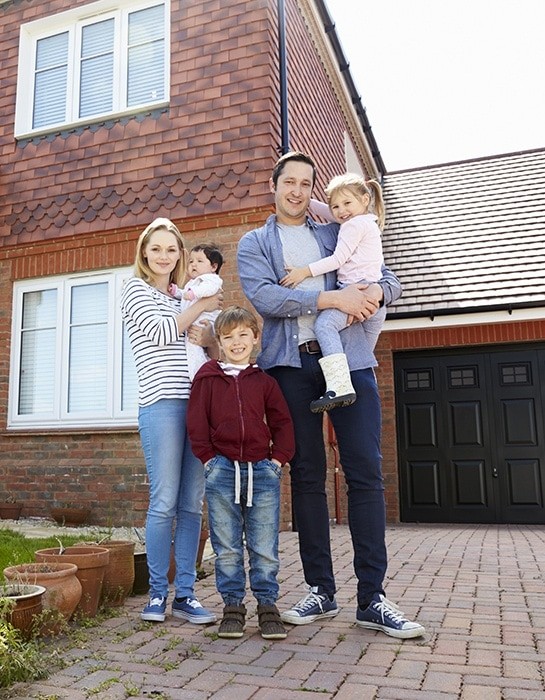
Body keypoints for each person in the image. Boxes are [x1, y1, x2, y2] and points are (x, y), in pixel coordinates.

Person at [237, 152, 425, 639]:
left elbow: (388, 277)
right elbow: (268, 299)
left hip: (350, 359)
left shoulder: (334, 229)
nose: (297, 191)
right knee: (307, 475)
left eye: (305, 183)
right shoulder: (255, 243)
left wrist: (378, 295)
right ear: (273, 184)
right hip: (292, 366)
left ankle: (373, 598)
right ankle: (320, 589)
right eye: (289, 182)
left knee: (364, 470)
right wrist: (332, 298)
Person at [121, 217, 222, 624]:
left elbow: (210, 348)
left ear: (180, 255)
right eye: (157, 248)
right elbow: (163, 333)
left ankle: (187, 594)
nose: (164, 256)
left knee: (191, 504)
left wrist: (208, 329)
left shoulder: (183, 295)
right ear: (145, 252)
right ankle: (157, 595)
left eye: (172, 249)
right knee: (163, 503)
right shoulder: (135, 289)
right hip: (160, 405)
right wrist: (201, 306)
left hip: (197, 404)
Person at [187, 306, 295, 640]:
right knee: (227, 546)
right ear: (218, 341)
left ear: (255, 338)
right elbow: (196, 422)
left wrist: (278, 460)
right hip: (221, 471)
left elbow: (282, 422)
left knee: (264, 545)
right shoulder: (207, 378)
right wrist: (208, 459)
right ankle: (232, 607)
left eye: (243, 335)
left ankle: (267, 605)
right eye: (229, 337)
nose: (236, 342)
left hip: (262, 472)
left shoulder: (264, 381)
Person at [280, 174, 386, 413]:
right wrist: (308, 201)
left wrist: (302, 272)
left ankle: (338, 386)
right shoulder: (366, 220)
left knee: (324, 327)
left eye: (347, 204)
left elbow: (338, 259)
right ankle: (359, 386)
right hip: (375, 301)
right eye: (336, 206)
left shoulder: (352, 226)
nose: (340, 211)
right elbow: (331, 214)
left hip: (356, 294)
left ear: (364, 199)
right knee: (361, 362)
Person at [169, 243, 224, 380]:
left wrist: (194, 293)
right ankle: (201, 374)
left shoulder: (211, 279)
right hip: (195, 320)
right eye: (191, 261)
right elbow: (186, 295)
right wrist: (177, 292)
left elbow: (209, 290)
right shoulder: (192, 283)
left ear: (213, 267)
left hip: (204, 320)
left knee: (194, 348)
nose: (194, 265)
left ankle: (199, 376)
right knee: (194, 348)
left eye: (200, 261)